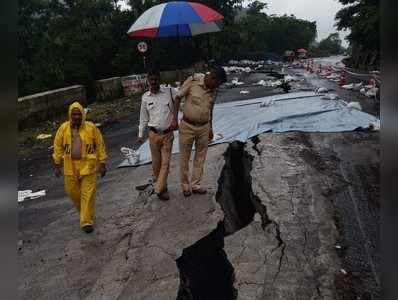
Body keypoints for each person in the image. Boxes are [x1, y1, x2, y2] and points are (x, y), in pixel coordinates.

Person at [171, 67, 227, 197]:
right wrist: (174, 119)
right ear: (212, 77)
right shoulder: (193, 80)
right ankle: (185, 186)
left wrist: (211, 128)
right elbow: (178, 98)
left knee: (200, 157)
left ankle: (195, 184)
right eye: (217, 83)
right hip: (187, 125)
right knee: (184, 157)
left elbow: (210, 109)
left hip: (204, 127)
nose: (217, 87)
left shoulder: (214, 90)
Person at [52, 102, 107, 233]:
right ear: (70, 115)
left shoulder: (91, 127)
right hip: (70, 167)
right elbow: (58, 146)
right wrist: (57, 164)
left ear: (83, 114)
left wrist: (103, 163)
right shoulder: (63, 129)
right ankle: (85, 213)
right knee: (73, 193)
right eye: (74, 114)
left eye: (79, 114)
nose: (76, 117)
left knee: (87, 194)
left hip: (88, 166)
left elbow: (100, 145)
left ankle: (86, 222)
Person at [138, 66, 176, 201]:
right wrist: (140, 134)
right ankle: (163, 187)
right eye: (151, 79)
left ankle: (158, 189)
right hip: (153, 135)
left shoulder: (169, 92)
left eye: (155, 79)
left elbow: (181, 98)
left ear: (159, 79)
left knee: (166, 163)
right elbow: (143, 117)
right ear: (148, 80)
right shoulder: (145, 98)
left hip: (167, 134)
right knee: (156, 164)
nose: (153, 82)